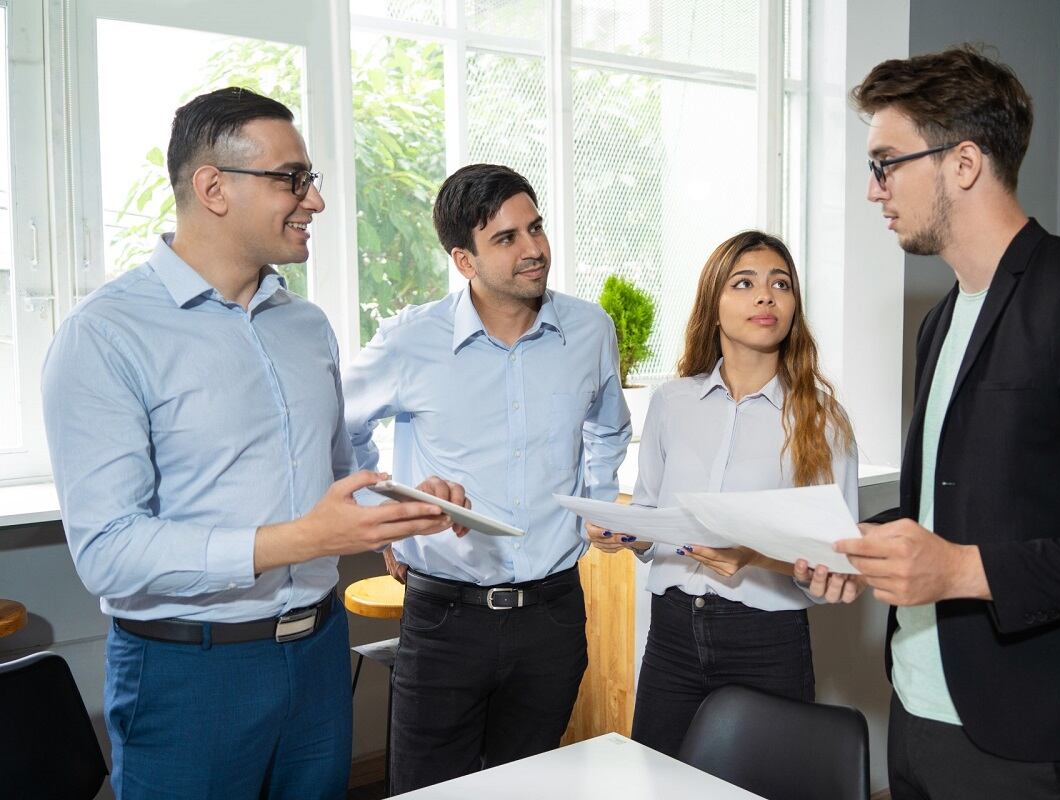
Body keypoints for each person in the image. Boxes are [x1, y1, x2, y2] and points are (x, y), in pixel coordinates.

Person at [41, 87, 461, 800]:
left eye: (311, 180)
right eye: (291, 179)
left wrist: (401, 501)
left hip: (319, 654)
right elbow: (108, 551)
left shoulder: (306, 327)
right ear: (213, 188)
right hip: (188, 677)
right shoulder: (106, 336)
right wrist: (300, 539)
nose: (315, 201)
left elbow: (333, 477)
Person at [834, 46, 1060, 799]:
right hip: (915, 707)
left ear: (963, 162)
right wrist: (853, 545)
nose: (874, 191)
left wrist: (965, 571)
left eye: (886, 163)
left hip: (1037, 733)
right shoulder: (939, 322)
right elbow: (953, 501)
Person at [342, 163, 631, 793]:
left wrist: (599, 503)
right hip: (447, 619)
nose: (534, 250)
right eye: (506, 238)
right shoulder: (409, 340)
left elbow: (608, 427)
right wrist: (384, 519)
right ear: (463, 259)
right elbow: (341, 430)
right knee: (428, 792)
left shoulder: (590, 329)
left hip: (554, 616)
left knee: (528, 788)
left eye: (536, 228)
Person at [588, 230, 861, 758]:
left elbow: (839, 569)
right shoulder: (672, 402)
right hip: (670, 637)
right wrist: (625, 533)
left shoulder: (821, 421)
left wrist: (753, 557)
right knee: (659, 784)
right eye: (744, 283)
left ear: (793, 308)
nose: (765, 296)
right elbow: (651, 515)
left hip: (766, 641)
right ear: (714, 305)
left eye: (780, 284)